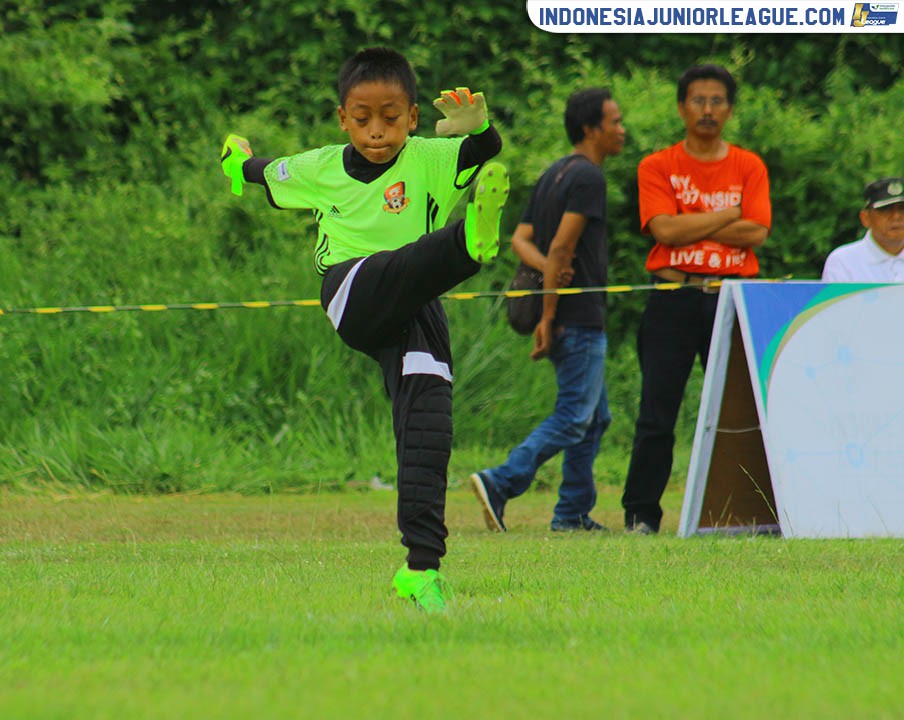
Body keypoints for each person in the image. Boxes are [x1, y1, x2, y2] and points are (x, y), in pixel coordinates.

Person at [219, 47, 508, 613]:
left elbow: (484, 149)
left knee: (429, 426)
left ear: (414, 117)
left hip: (416, 306)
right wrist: (236, 158)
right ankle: (468, 245)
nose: (377, 132)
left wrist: (480, 128)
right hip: (353, 291)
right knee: (407, 260)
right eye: (363, 118)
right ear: (342, 117)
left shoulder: (429, 158)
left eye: (392, 118)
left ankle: (422, 569)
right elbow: (259, 173)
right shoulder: (321, 166)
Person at [622, 64, 772, 535]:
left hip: (731, 297)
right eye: (698, 101)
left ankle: (756, 509)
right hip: (674, 296)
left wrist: (690, 217)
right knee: (657, 411)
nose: (708, 110)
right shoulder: (657, 166)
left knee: (745, 411)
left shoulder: (749, 165)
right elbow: (662, 229)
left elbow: (759, 232)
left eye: (717, 101)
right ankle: (642, 513)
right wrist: (728, 213)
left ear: (730, 108)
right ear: (681, 106)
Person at [469, 88, 625, 533]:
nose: (621, 130)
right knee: (575, 415)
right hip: (576, 317)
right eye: (614, 122)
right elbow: (560, 246)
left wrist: (547, 273)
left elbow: (521, 241)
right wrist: (550, 313)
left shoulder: (553, 173)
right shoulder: (589, 179)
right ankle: (501, 482)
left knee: (595, 418)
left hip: (567, 313)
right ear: (591, 129)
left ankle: (572, 514)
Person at [822, 177, 904, 282]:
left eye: (902, 209)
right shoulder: (843, 262)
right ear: (865, 218)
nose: (896, 216)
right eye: (885, 209)